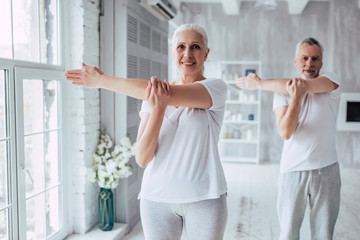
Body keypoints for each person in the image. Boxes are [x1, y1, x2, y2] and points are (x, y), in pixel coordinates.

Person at [65, 23, 228, 240]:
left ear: (206, 53)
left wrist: (102, 80)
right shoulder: (152, 99)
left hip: (205, 198)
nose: (187, 54)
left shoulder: (216, 88)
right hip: (156, 200)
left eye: (195, 47)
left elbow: (167, 94)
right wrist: (158, 111)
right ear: (173, 52)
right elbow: (142, 158)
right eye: (181, 46)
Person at [236, 37, 341, 240]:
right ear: (295, 61)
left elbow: (303, 85)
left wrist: (258, 84)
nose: (309, 63)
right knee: (288, 234)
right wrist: (295, 97)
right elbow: (285, 131)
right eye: (304, 58)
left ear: (321, 62)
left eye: (315, 59)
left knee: (324, 234)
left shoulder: (331, 81)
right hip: (293, 172)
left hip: (327, 170)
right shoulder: (281, 93)